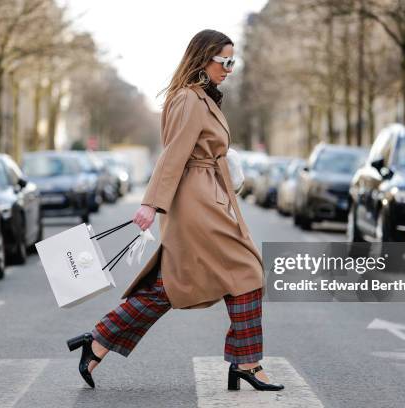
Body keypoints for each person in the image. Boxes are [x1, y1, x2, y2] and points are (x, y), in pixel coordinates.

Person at [67, 29, 284, 392]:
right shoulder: (188, 99)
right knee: (246, 271)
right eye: (224, 61)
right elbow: (174, 154)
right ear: (204, 58)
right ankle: (246, 362)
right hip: (196, 202)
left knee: (171, 284)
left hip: (209, 196)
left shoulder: (203, 98)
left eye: (233, 61)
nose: (229, 68)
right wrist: (151, 204)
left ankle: (99, 341)